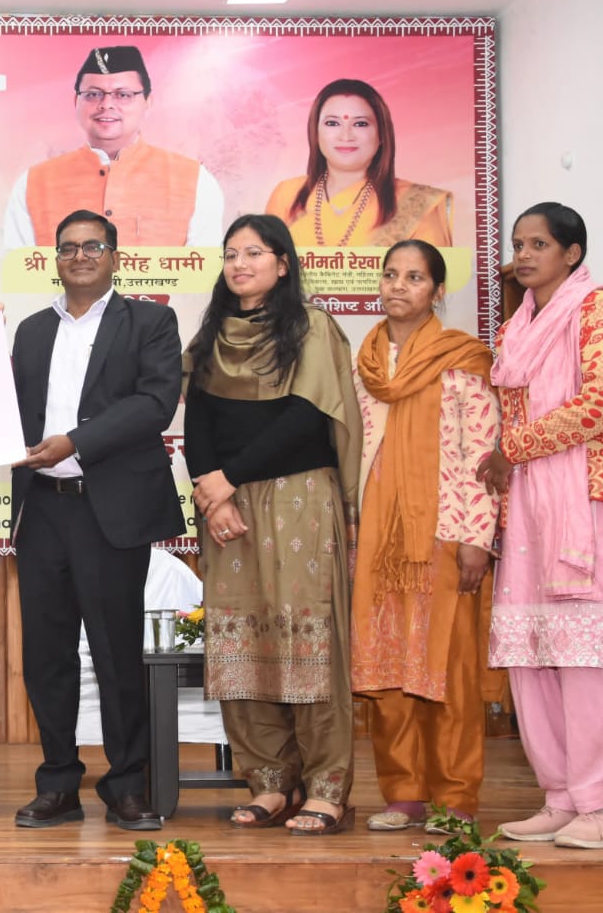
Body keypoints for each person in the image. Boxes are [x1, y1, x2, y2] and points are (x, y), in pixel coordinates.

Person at [477, 203, 603, 850]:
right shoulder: (515, 327)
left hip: (586, 496)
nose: (524, 255)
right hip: (529, 504)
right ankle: (561, 795)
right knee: (534, 653)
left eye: (538, 244)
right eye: (518, 244)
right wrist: (509, 459)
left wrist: (514, 447)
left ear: (571, 253)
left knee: (588, 654)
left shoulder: (599, 309)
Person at [183, 213, 361, 835]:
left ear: (283, 264)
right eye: (231, 254)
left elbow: (305, 419)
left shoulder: (312, 328)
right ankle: (269, 782)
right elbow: (198, 424)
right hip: (228, 508)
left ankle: (328, 787)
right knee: (241, 643)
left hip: (298, 500)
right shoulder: (211, 336)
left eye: (254, 253)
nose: (240, 264)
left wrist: (227, 479)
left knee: (307, 642)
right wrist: (214, 496)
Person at [9, 209, 184, 831]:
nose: (79, 256)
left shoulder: (151, 322)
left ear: (114, 257)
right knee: (46, 656)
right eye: (68, 248)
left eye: (92, 246)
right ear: (54, 259)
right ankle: (58, 783)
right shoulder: (31, 331)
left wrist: (76, 443)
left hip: (109, 510)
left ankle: (127, 785)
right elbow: (7, 409)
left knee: (116, 653)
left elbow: (155, 403)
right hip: (41, 510)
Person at [351, 239, 501, 833]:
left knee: (447, 669)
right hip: (377, 539)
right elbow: (352, 452)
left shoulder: (462, 359)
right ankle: (404, 792)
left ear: (437, 291)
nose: (398, 286)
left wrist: (476, 536)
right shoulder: (365, 364)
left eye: (414, 277)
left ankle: (456, 796)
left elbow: (479, 453)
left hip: (444, 533)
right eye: (391, 274)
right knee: (387, 665)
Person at [4, 45, 224, 249]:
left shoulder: (195, 181)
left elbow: (202, 273)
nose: (107, 104)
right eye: (93, 95)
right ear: (76, 102)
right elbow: (21, 272)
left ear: (148, 102)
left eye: (123, 95)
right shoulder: (34, 184)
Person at [265, 79, 453, 248]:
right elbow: (266, 265)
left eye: (360, 124)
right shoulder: (288, 194)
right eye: (332, 123)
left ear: (381, 134)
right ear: (315, 132)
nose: (346, 136)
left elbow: (430, 272)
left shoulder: (417, 202)